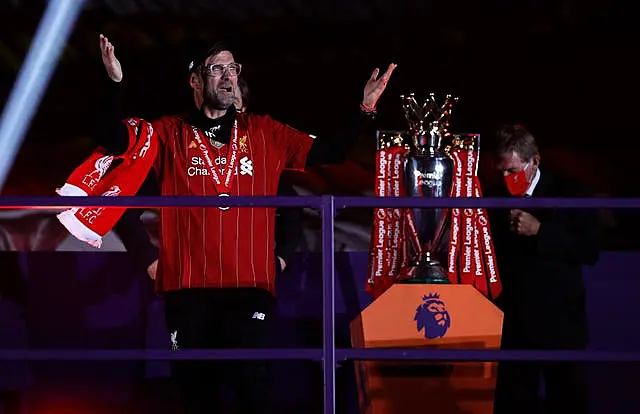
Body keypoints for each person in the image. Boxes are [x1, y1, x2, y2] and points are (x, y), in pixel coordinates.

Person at [90, 35, 395, 414]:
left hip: (249, 289)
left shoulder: (266, 132)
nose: (227, 76)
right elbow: (115, 142)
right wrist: (113, 84)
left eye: (232, 68)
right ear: (195, 81)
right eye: (216, 68)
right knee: (197, 397)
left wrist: (365, 108)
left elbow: (331, 151)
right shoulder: (168, 134)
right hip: (188, 290)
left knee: (252, 390)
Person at [487, 124, 600, 414]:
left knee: (568, 401)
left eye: (512, 171)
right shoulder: (492, 197)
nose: (506, 178)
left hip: (560, 322)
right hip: (515, 324)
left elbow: (589, 250)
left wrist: (541, 231)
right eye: (500, 170)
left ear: (534, 160)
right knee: (513, 403)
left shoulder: (570, 193)